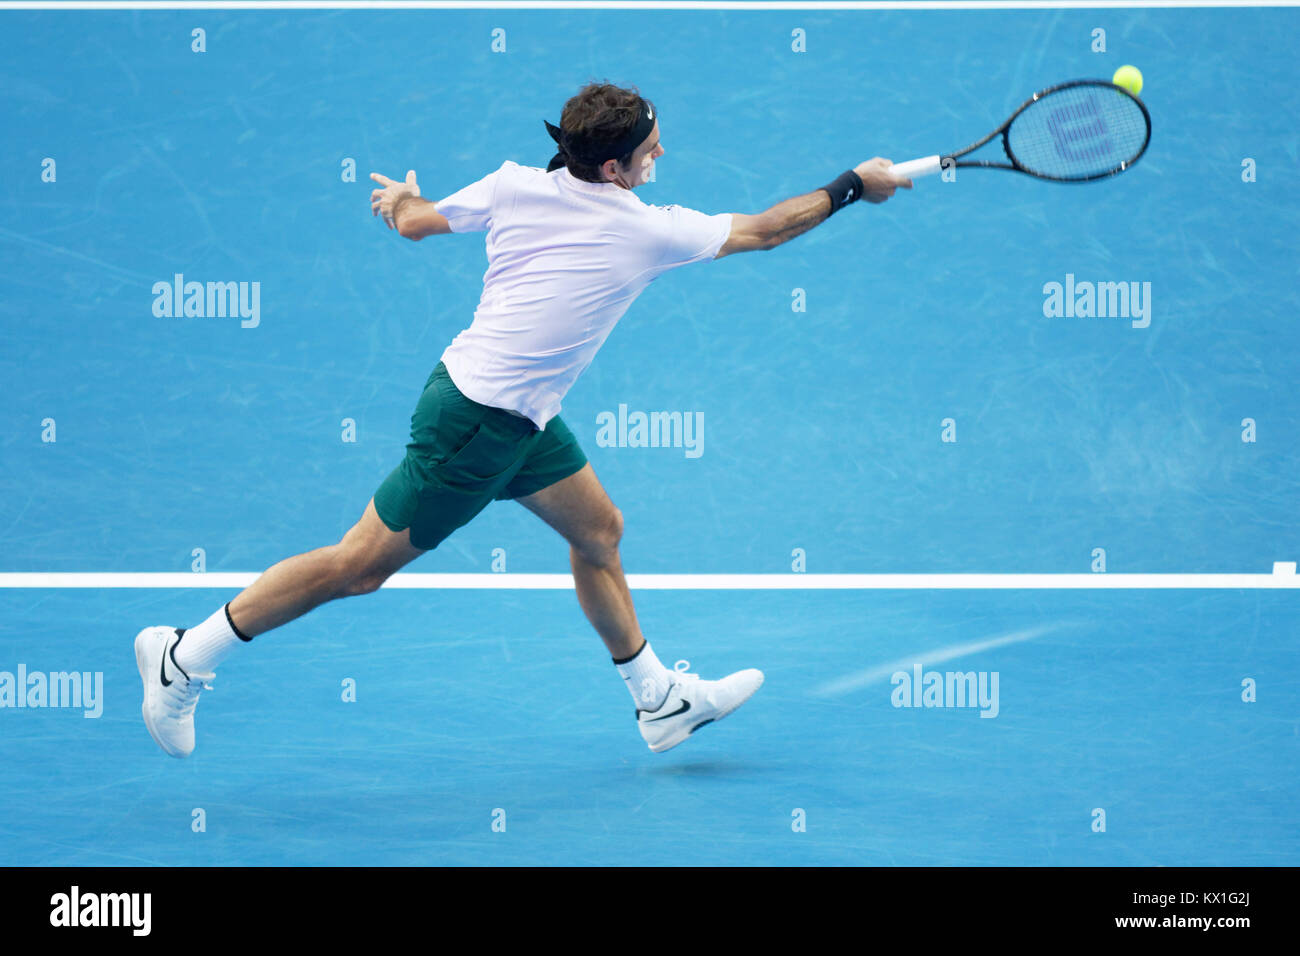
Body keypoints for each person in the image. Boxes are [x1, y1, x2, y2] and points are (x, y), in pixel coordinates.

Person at [134, 81, 910, 759]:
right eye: (651, 149)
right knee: (357, 568)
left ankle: (658, 701)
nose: (660, 156)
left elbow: (415, 223)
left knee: (599, 533)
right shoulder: (644, 230)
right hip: (474, 426)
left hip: (518, 415)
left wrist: (400, 198)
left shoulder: (512, 184)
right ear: (613, 168)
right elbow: (768, 229)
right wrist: (852, 184)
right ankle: (183, 657)